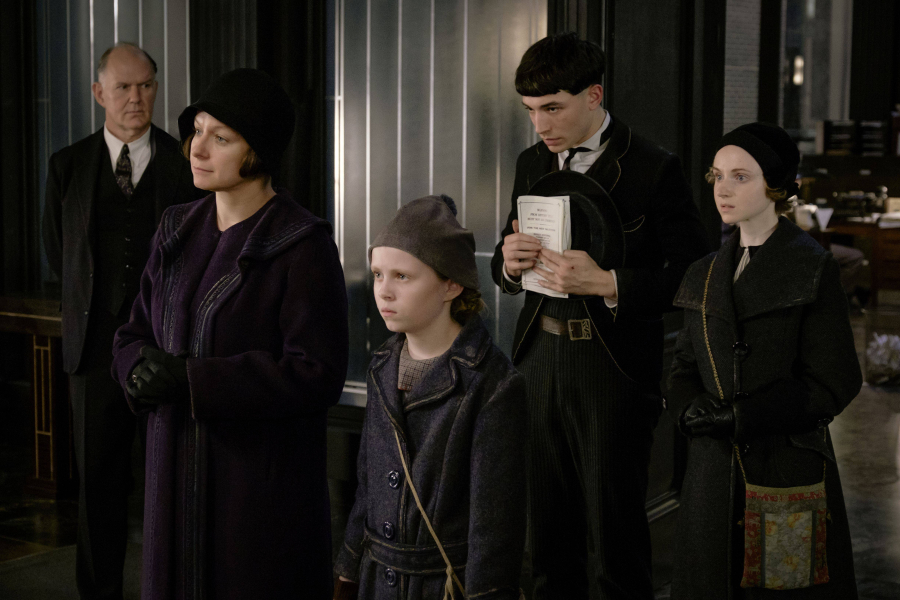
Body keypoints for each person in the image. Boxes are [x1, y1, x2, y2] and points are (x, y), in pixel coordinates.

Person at [110, 68, 349, 599]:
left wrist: (194, 380)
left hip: (254, 494)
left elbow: (317, 373)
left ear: (257, 152)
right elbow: (133, 332)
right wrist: (135, 369)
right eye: (197, 131)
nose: (197, 148)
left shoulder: (302, 245)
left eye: (220, 138)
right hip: (172, 478)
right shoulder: (176, 228)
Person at [490, 32, 709, 599]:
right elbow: (504, 258)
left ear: (594, 94)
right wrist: (507, 263)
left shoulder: (654, 166)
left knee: (617, 543)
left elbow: (695, 276)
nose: (539, 125)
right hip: (538, 360)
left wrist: (610, 282)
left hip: (612, 368)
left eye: (552, 108)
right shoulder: (531, 162)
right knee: (547, 540)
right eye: (530, 110)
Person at [666, 122, 862, 599]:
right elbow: (684, 363)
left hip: (784, 469)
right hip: (712, 475)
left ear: (775, 186)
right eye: (717, 176)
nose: (722, 189)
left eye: (740, 177)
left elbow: (834, 380)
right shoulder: (704, 271)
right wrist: (688, 405)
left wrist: (746, 415)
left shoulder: (811, 267)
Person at [42, 42, 199, 600]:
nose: (137, 97)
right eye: (124, 87)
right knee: (98, 488)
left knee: (170, 483)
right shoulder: (67, 166)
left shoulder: (186, 162)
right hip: (92, 353)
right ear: (99, 93)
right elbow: (59, 252)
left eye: (147, 85)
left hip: (166, 350)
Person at [334, 195, 527, 600]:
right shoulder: (383, 367)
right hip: (376, 582)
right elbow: (367, 488)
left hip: (443, 588)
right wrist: (347, 573)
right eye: (378, 274)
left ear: (451, 284)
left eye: (402, 276)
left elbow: (494, 530)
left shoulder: (492, 385)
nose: (383, 291)